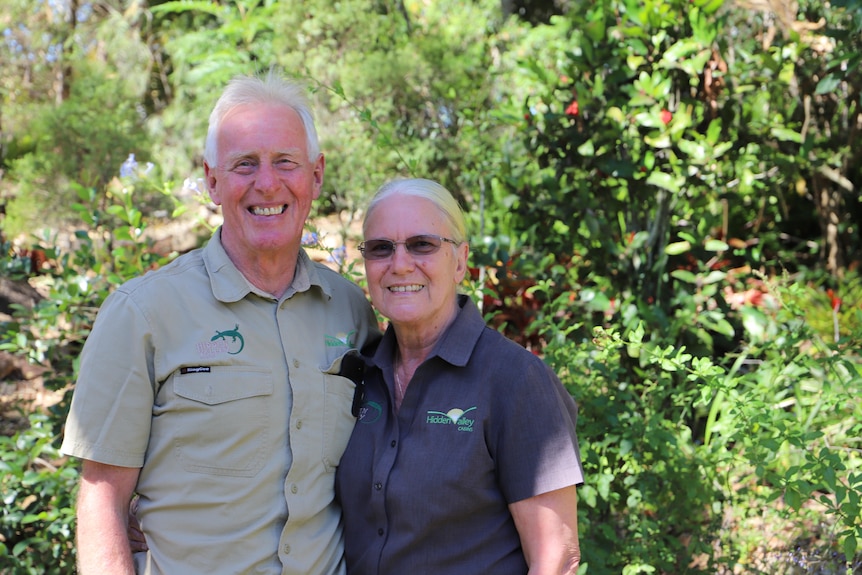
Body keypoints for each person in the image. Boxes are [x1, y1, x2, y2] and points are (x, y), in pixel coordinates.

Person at [60, 70, 379, 575]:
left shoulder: (351, 311)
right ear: (212, 180)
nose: (267, 183)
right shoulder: (142, 314)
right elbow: (101, 498)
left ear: (316, 175)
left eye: (285, 162)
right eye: (244, 164)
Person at [335, 178, 584, 574]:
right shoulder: (360, 372)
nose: (399, 264)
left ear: (461, 261)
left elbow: (556, 558)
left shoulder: (515, 380)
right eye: (381, 248)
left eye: (422, 244)